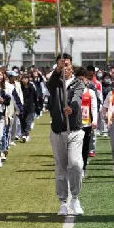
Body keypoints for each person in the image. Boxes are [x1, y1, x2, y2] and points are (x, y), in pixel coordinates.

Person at [46, 53, 85, 216]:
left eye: (67, 65)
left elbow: (77, 98)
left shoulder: (78, 83)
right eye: (61, 65)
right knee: (61, 168)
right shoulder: (54, 82)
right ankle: (63, 202)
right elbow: (50, 84)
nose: (65, 68)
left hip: (75, 130)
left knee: (75, 164)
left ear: (72, 67)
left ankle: (75, 198)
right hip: (57, 131)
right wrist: (57, 71)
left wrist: (72, 108)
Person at [78, 67, 98, 178]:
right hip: (75, 124)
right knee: (75, 147)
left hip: (87, 123)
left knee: (85, 147)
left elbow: (94, 107)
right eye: (80, 79)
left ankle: (83, 167)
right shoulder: (72, 92)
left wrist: (94, 120)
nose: (82, 81)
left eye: (84, 79)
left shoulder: (90, 92)